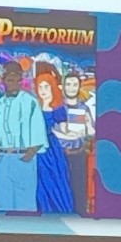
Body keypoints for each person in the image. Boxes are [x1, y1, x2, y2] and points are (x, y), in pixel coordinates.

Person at [0, 61, 47, 211]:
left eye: (17, 80)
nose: (14, 84)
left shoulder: (30, 102)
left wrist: (30, 154)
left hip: (23, 157)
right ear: (3, 80)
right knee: (3, 205)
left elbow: (39, 132)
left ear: (21, 80)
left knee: (25, 206)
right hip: (2, 158)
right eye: (10, 80)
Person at [33, 74, 75, 214]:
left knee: (54, 179)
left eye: (46, 86)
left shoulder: (57, 108)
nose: (43, 90)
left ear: (52, 87)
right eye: (40, 87)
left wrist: (74, 131)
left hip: (51, 149)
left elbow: (64, 129)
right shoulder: (35, 106)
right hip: (36, 149)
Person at [56, 72, 95, 216]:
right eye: (68, 84)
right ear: (63, 86)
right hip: (61, 155)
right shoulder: (57, 108)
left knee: (79, 189)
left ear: (79, 87)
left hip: (79, 154)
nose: (71, 88)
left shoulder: (84, 108)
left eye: (74, 84)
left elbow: (91, 132)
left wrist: (86, 127)